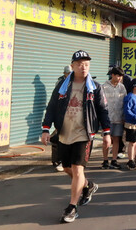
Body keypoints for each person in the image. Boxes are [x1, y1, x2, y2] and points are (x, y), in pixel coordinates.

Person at [41, 50, 111, 223]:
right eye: (80, 64)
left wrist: (107, 133)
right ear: (72, 66)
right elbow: (51, 107)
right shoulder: (62, 86)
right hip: (64, 133)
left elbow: (103, 111)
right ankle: (88, 186)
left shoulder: (95, 87)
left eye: (87, 64)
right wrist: (45, 129)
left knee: (78, 168)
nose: (83, 67)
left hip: (84, 133)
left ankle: (72, 207)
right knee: (67, 168)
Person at [101, 66, 127, 170]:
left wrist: (124, 116)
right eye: (118, 76)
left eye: (121, 76)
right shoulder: (104, 86)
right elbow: (101, 103)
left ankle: (114, 160)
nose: (120, 78)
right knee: (106, 140)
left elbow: (125, 102)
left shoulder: (122, 87)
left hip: (119, 118)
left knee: (116, 139)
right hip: (107, 118)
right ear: (112, 75)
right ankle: (105, 160)